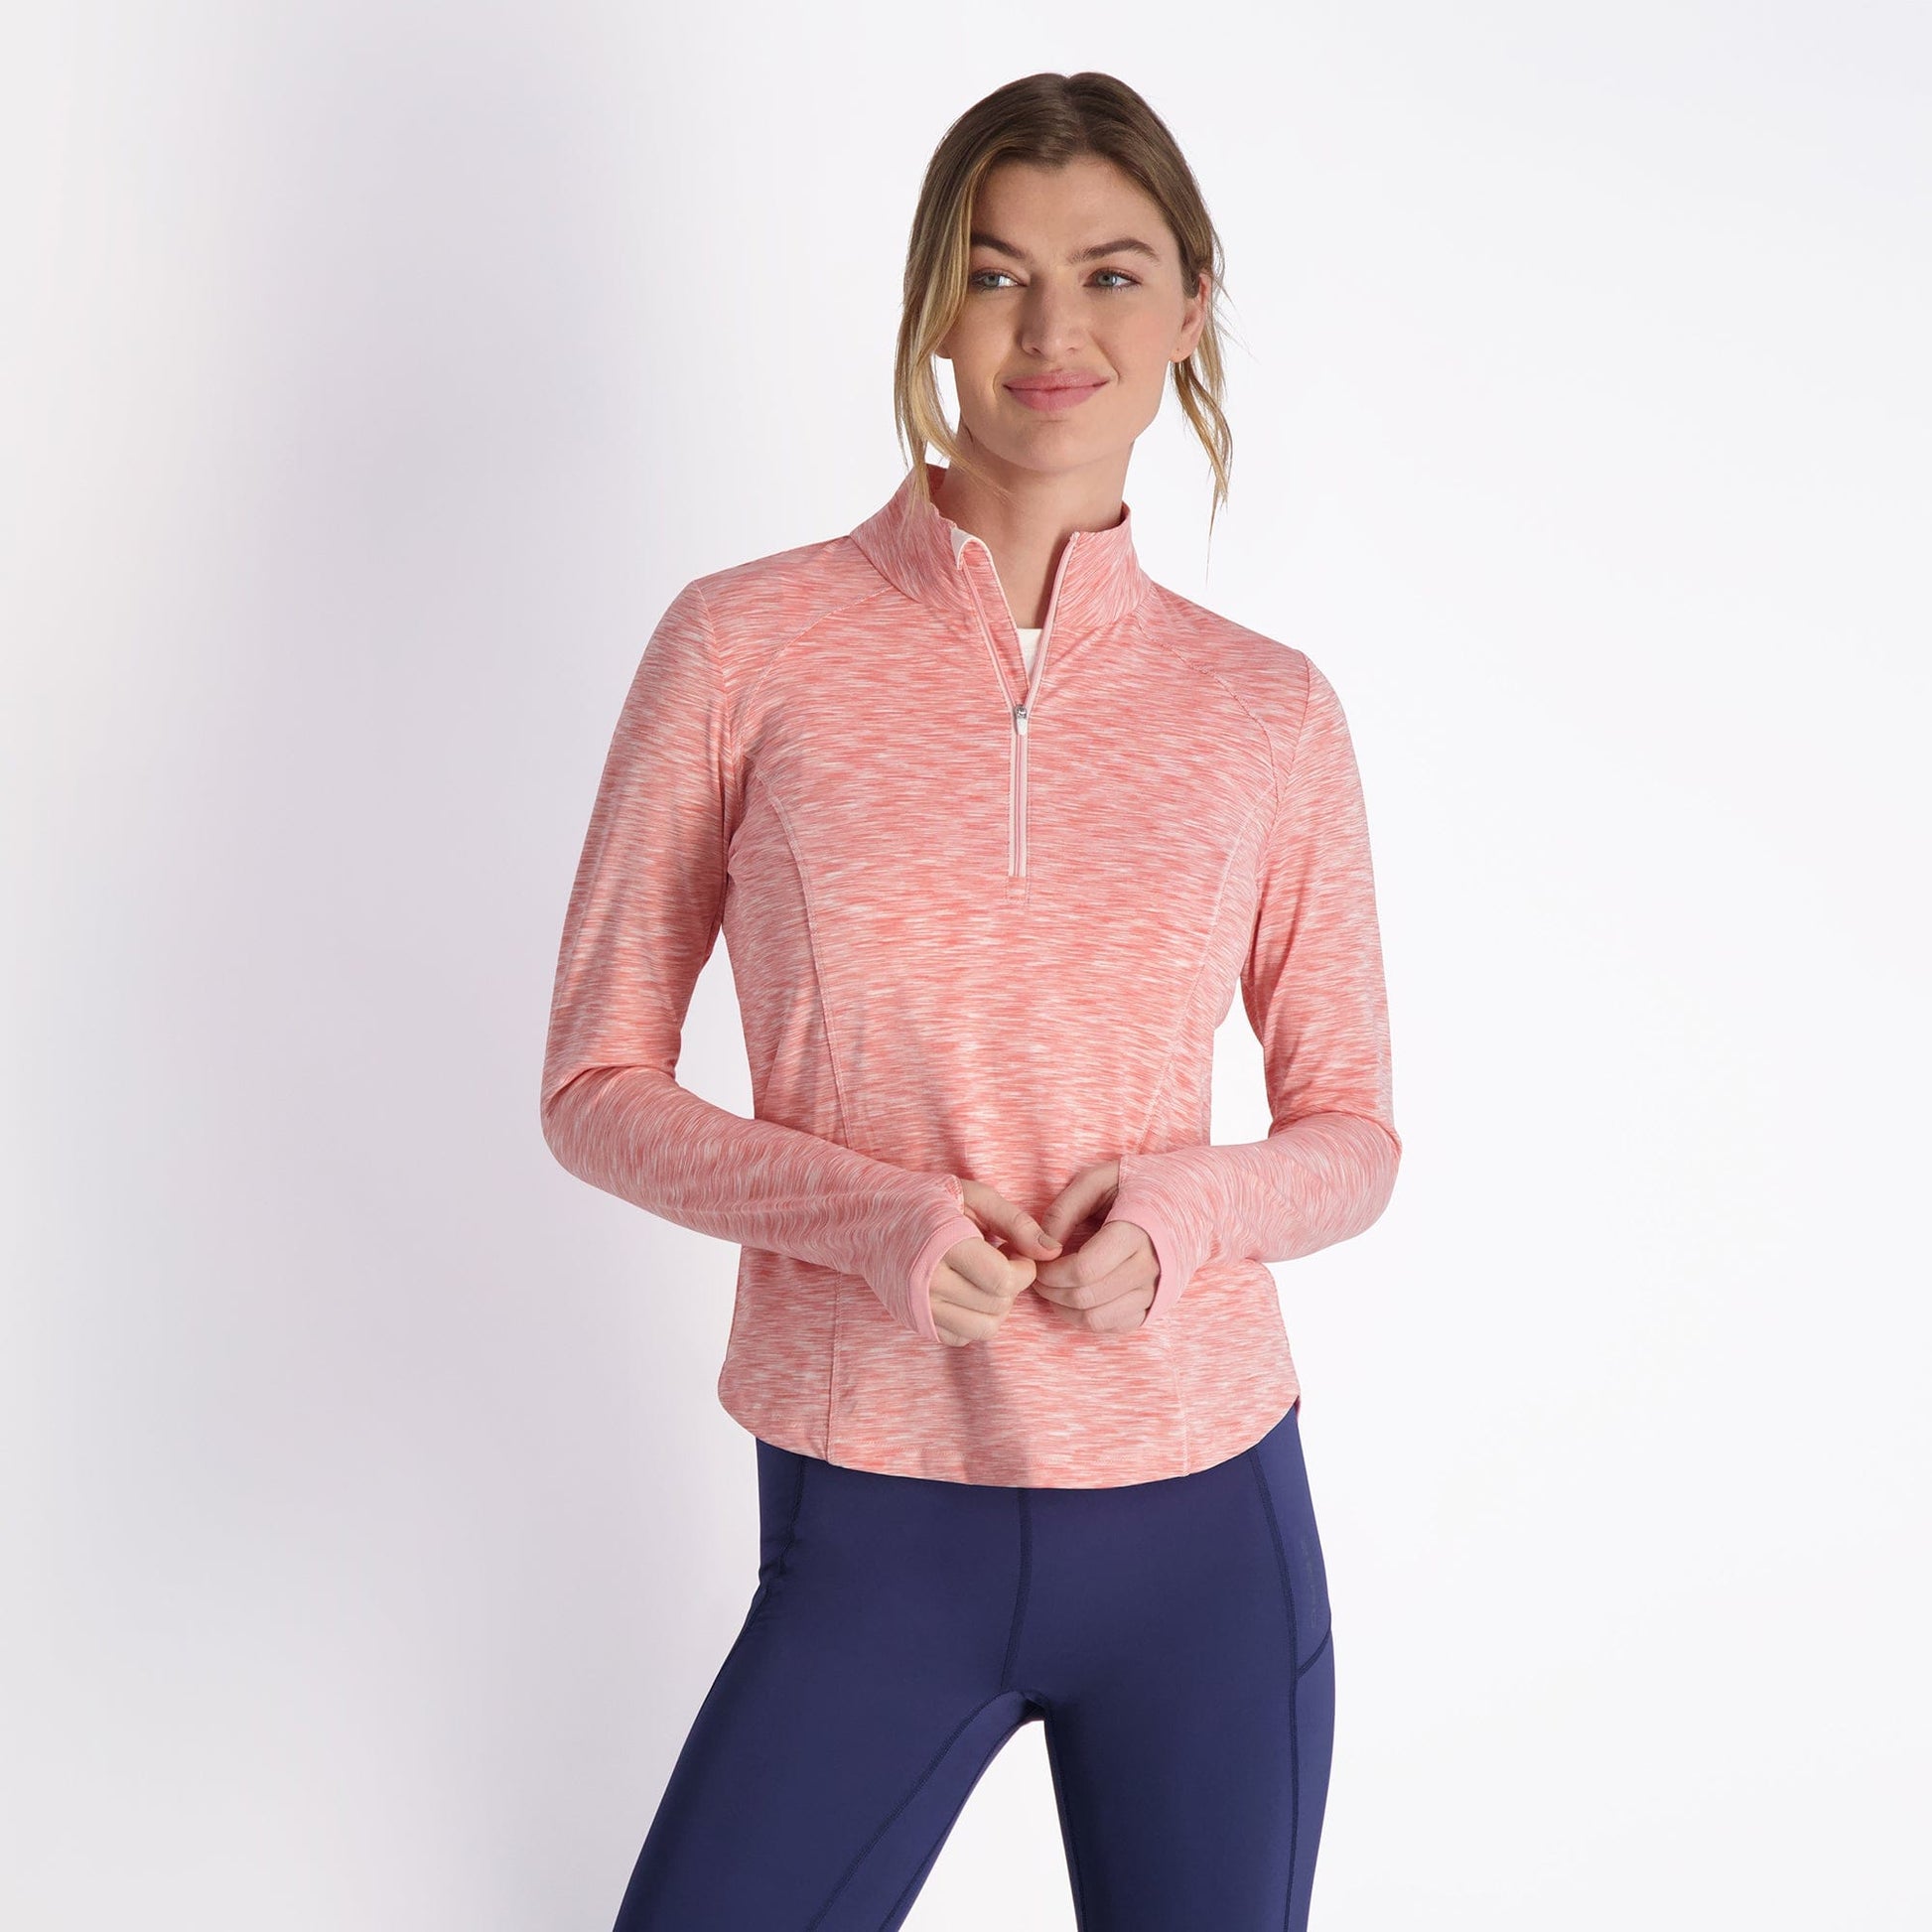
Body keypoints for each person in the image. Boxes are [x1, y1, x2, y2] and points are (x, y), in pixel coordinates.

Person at [539, 69, 1401, 1932]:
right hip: (875, 1512)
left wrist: (1184, 1215)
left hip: (1205, 1523)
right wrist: (875, 1220)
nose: (1049, 329)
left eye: (1109, 275)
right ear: (933, 302)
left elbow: (1351, 1133)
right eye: (998, 274)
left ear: (1189, 310)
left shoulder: (1266, 710)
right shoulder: (741, 647)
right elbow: (595, 1082)